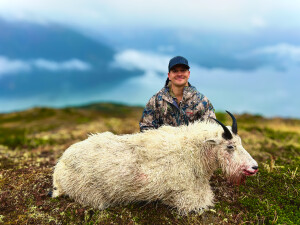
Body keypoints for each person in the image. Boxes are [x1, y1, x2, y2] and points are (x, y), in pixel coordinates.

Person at [139, 56, 216, 132]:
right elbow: (146, 128)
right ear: (169, 75)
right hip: (162, 144)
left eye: (183, 70)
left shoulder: (202, 101)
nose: (179, 74)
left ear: (188, 74)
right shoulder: (156, 100)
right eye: (175, 71)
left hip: (193, 144)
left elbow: (211, 129)